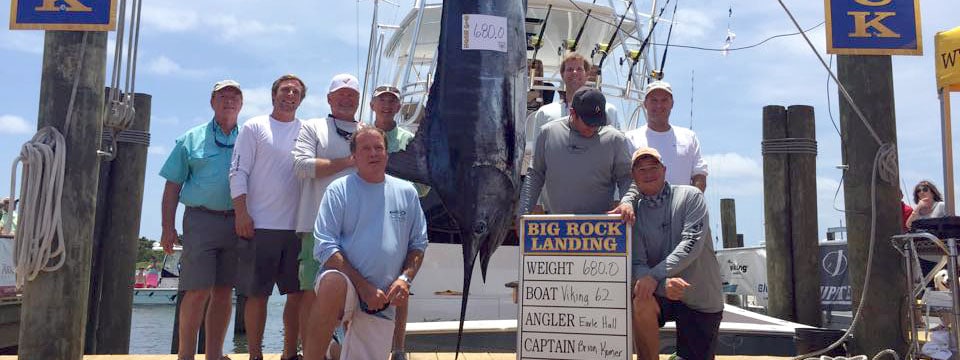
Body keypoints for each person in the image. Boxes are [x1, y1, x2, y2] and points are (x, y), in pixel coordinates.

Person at [304, 127, 428, 360]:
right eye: (366, 148)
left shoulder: (407, 192)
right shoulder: (338, 190)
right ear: (354, 157)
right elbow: (325, 246)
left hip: (384, 297)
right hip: (349, 285)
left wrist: (405, 279)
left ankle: (334, 350)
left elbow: (419, 244)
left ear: (387, 154)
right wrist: (363, 287)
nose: (373, 153)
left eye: (379, 148)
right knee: (332, 282)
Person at [158, 79, 243, 360]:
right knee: (197, 290)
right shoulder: (190, 138)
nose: (229, 100)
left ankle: (215, 354)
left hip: (237, 221)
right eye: (223, 96)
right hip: (200, 220)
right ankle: (185, 355)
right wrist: (167, 228)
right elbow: (172, 186)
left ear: (241, 104)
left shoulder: (250, 139)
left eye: (234, 96)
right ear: (212, 102)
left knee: (223, 291)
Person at [612, 147, 723, 360]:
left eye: (653, 167)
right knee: (640, 300)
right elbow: (637, 262)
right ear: (633, 177)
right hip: (662, 292)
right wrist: (661, 285)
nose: (648, 173)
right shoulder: (634, 214)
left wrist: (653, 277)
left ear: (664, 170)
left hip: (701, 297)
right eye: (641, 169)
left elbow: (691, 244)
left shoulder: (692, 196)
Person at [230, 74, 306, 360]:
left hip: (296, 228)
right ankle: (254, 355)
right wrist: (241, 213)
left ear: (301, 99)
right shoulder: (254, 126)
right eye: (285, 90)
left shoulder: (308, 130)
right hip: (259, 226)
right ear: (274, 95)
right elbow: (238, 172)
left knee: (296, 296)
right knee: (257, 295)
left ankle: (289, 354)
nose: (290, 95)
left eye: (295, 91)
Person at [292, 73, 362, 355]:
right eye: (341, 94)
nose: (346, 99)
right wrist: (347, 162)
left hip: (357, 227)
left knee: (353, 295)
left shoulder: (366, 129)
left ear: (359, 100)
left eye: (351, 95)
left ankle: (345, 351)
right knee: (312, 293)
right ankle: (311, 353)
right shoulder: (312, 127)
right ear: (329, 99)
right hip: (317, 226)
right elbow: (301, 166)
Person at [518, 87, 633, 216]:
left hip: (601, 228)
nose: (593, 128)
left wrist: (627, 202)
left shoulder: (615, 139)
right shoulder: (548, 133)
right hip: (556, 225)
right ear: (573, 113)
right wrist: (523, 211)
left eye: (598, 123)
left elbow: (627, 177)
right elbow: (535, 175)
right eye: (589, 123)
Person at [625, 80, 708, 192]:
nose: (659, 105)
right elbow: (625, 179)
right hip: (643, 208)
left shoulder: (689, 137)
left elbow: (700, 174)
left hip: (682, 208)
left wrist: (692, 202)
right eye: (654, 100)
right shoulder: (630, 138)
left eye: (664, 100)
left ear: (672, 104)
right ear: (645, 104)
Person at [370, 84, 414, 153]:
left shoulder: (408, 139)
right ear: (372, 105)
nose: (387, 105)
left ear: (398, 108)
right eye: (382, 100)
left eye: (392, 101)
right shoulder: (362, 137)